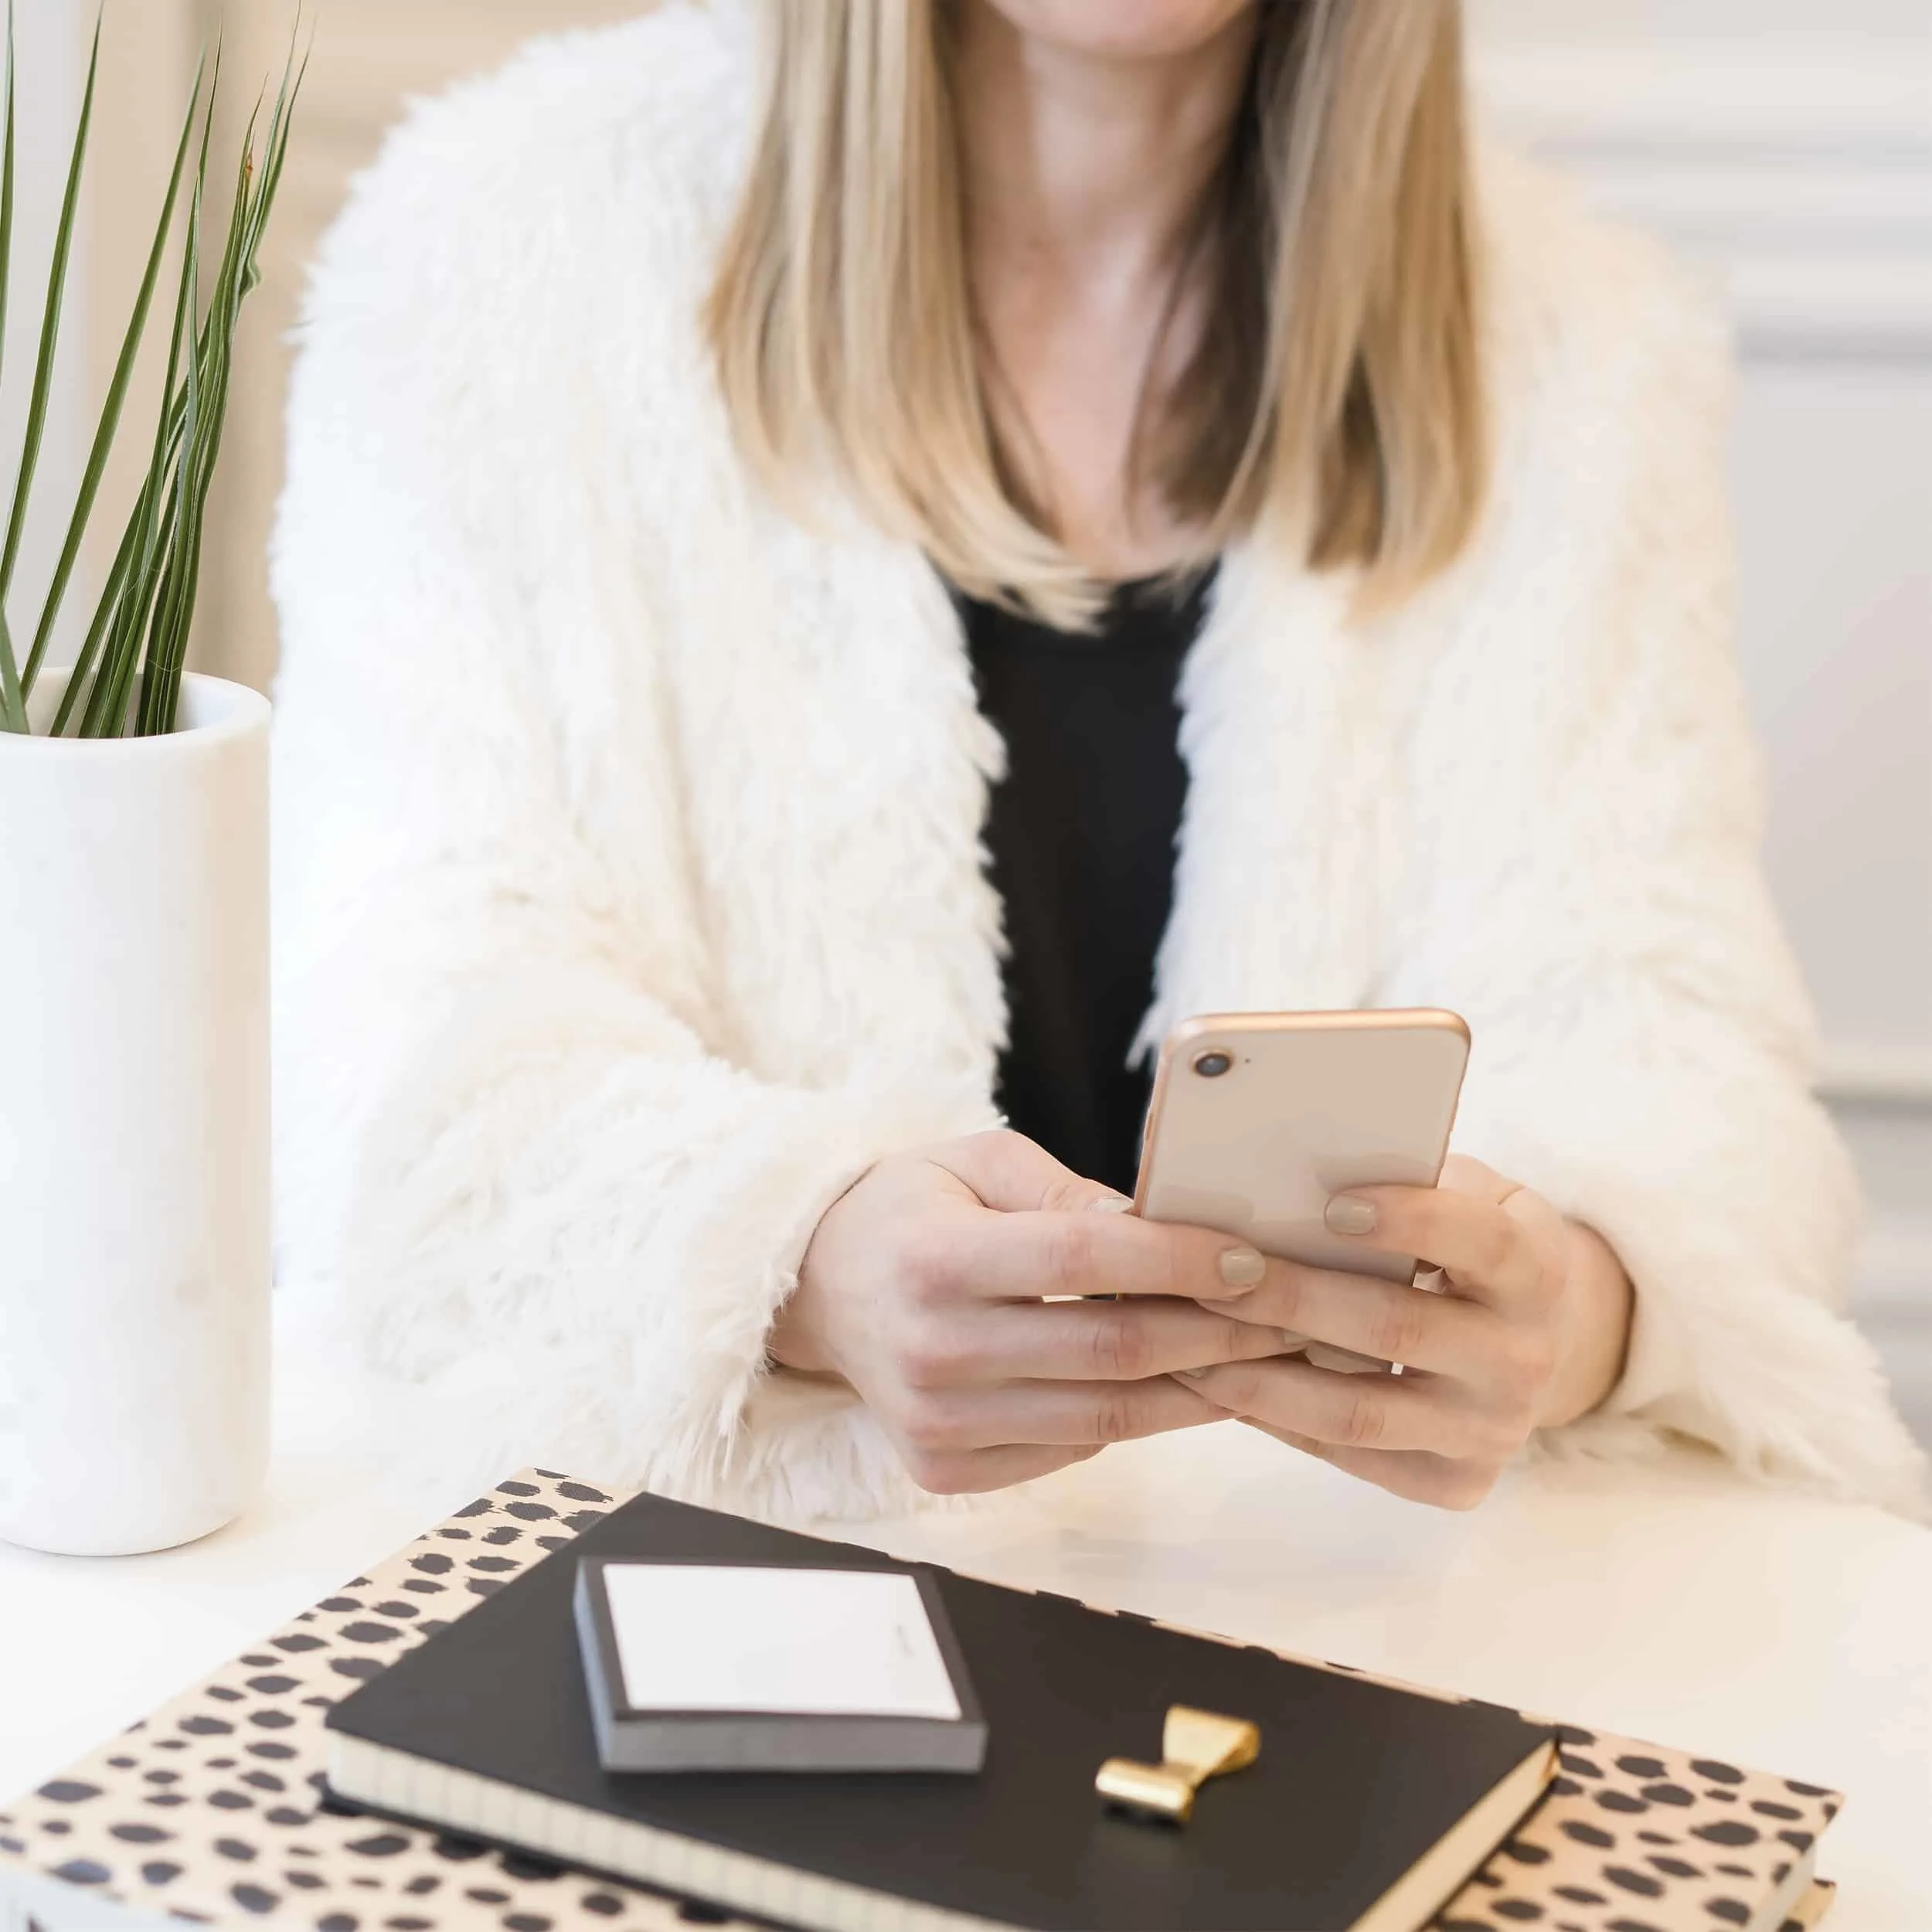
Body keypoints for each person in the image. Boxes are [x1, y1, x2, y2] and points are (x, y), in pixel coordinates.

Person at [269, 0, 1927, 1522]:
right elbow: (407, 1035)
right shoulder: (502, 255)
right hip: (712, 1633)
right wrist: (794, 1256)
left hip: (1319, 1662)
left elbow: (1667, 1036)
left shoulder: (1575, 353)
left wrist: (1582, 1299)